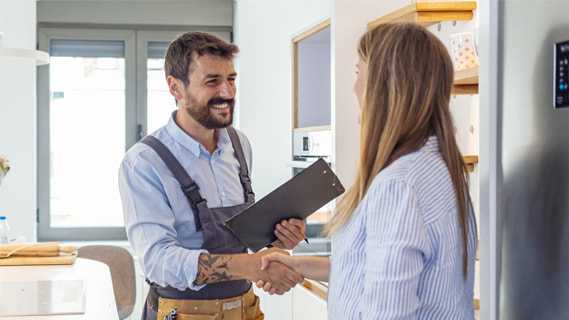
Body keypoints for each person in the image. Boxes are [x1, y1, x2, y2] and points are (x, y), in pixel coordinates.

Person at [257, 23, 478, 319]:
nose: (354, 87)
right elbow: (385, 276)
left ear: (384, 86)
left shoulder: (398, 186)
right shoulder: (439, 168)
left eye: (358, 73)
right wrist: (303, 265)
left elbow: (387, 312)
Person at [119, 32, 306, 320]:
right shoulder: (144, 162)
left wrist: (277, 243)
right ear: (175, 87)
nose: (227, 92)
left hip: (245, 309)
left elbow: (241, 242)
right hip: (183, 314)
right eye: (212, 81)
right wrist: (252, 265)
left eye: (231, 79)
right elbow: (158, 261)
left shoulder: (239, 145)